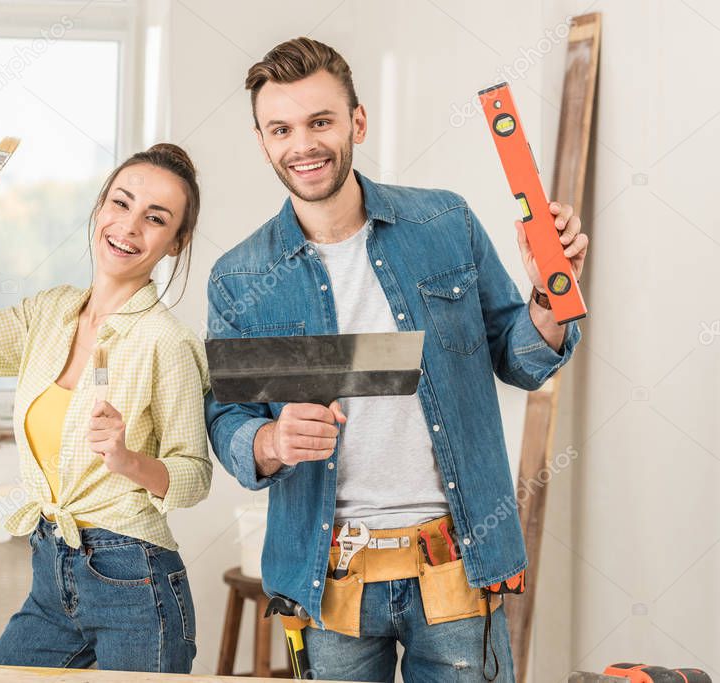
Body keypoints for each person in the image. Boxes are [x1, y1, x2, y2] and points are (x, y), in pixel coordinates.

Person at [205, 37, 588, 682]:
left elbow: (518, 360)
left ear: (356, 121)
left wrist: (548, 305)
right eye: (282, 129)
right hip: (330, 583)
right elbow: (227, 422)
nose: (303, 144)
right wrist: (270, 439)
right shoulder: (241, 276)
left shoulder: (445, 223)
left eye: (320, 121)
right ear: (263, 139)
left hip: (460, 567)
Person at [0, 143, 210, 673]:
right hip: (52, 569)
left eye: (155, 218)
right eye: (120, 203)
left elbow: (194, 477)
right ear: (99, 210)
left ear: (174, 243)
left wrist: (126, 460)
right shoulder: (50, 314)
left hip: (135, 582)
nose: (129, 227)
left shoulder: (166, 341)